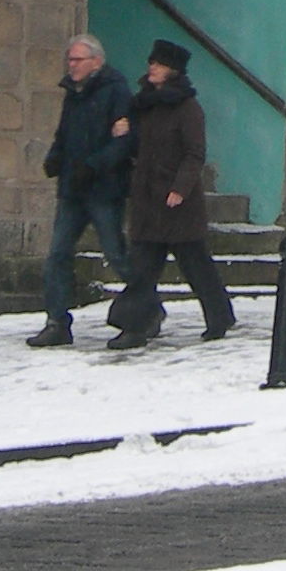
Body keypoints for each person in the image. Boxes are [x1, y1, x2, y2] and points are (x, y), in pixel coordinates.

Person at [106, 39, 238, 349]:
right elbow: (138, 147)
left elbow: (194, 153)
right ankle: (136, 327)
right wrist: (123, 133)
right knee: (142, 268)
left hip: (177, 204)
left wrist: (180, 188)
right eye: (151, 62)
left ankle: (219, 317)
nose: (151, 67)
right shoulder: (143, 105)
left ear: (173, 71)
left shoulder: (188, 108)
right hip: (147, 199)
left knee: (196, 266)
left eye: (159, 63)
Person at [27, 33, 134, 348]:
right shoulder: (72, 93)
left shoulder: (116, 90)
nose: (71, 65)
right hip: (73, 188)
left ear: (96, 62)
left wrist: (95, 165)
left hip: (103, 189)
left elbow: (124, 140)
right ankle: (57, 321)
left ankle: (144, 311)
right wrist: (55, 157)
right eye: (70, 60)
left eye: (77, 60)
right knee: (58, 255)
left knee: (116, 254)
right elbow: (64, 131)